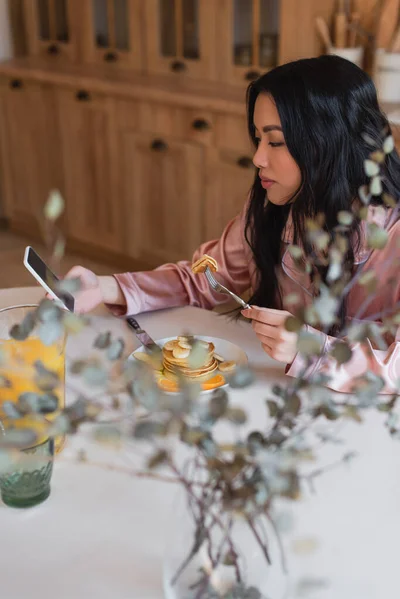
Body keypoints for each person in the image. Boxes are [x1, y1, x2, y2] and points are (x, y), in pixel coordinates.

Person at [62, 55, 400, 394]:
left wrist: (313, 353)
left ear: (330, 143)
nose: (258, 158)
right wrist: (104, 287)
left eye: (276, 141)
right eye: (258, 139)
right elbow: (201, 279)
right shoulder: (275, 208)